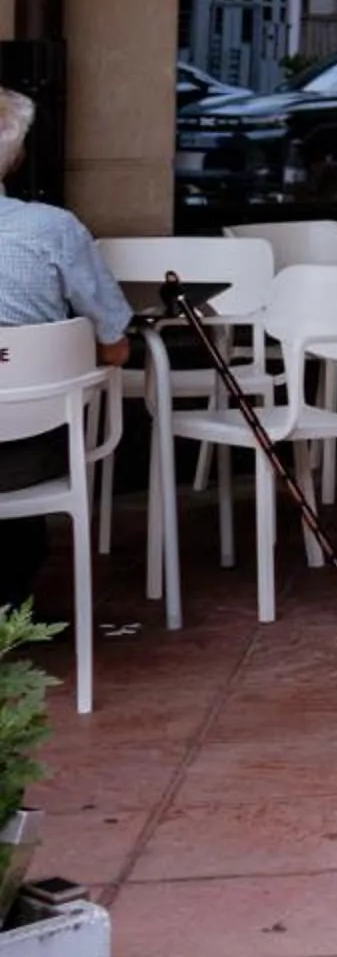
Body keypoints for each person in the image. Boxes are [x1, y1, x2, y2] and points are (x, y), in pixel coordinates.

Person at [0, 89, 131, 606]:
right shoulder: (53, 229)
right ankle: (9, 609)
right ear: (16, 156)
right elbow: (115, 349)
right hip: (26, 455)